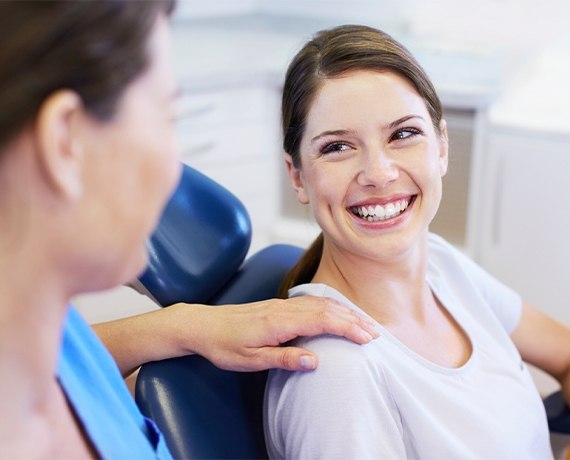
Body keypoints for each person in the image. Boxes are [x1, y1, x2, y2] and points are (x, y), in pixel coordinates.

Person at [0, 2, 381, 457]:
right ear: (65, 143)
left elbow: (75, 359)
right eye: (166, 118)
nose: (175, 175)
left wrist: (182, 326)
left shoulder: (47, 329)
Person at [264, 24, 570, 459]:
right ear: (298, 176)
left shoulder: (444, 267)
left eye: (403, 134)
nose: (379, 173)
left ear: (441, 146)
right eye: (337, 147)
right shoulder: (336, 375)